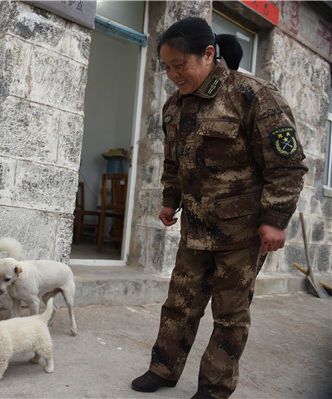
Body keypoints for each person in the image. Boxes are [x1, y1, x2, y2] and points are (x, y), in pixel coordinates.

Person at [131, 17, 307, 399]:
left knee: (229, 314)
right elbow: (174, 162)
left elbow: (287, 165)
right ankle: (163, 369)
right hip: (195, 228)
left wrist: (275, 221)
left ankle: (214, 386)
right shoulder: (173, 106)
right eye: (167, 67)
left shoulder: (253, 96)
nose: (174, 74)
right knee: (179, 304)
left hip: (242, 232)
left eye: (181, 64)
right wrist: (168, 200)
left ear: (209, 54)